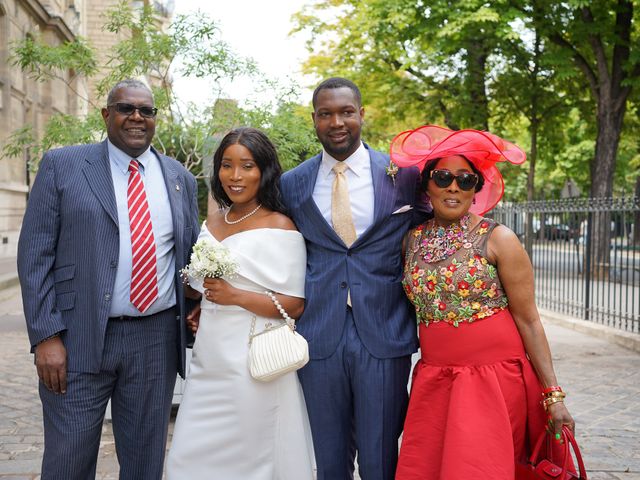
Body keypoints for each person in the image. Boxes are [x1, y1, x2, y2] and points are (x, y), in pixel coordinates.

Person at [16, 78, 200, 479]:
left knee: (144, 463)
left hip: (154, 340)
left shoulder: (179, 178)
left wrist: (200, 306)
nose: (136, 117)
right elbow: (34, 256)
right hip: (76, 339)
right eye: (125, 108)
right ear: (106, 115)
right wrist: (46, 337)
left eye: (146, 111)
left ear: (155, 119)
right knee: (68, 460)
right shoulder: (63, 166)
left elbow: (188, 258)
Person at [390, 125, 575, 479]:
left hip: (493, 382)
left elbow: (530, 320)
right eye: (443, 177)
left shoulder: (499, 239)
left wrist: (554, 395)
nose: (453, 186)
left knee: (478, 468)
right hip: (435, 381)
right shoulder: (410, 241)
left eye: (466, 179)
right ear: (427, 184)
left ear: (477, 189)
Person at [279, 78, 425, 479]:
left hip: (383, 331)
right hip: (319, 333)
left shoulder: (404, 177)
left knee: (380, 458)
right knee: (328, 458)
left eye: (345, 112)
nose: (336, 122)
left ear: (362, 114)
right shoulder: (293, 184)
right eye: (326, 114)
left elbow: (436, 229)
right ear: (314, 120)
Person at [166, 127, 315, 479]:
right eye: (227, 165)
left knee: (250, 459)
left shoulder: (280, 226)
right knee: (188, 457)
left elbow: (293, 304)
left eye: (247, 166)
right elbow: (203, 284)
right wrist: (201, 296)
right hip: (208, 361)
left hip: (251, 365)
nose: (235, 176)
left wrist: (234, 297)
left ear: (264, 171)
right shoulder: (213, 222)